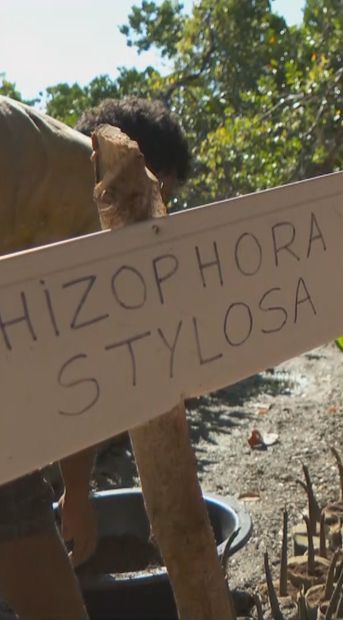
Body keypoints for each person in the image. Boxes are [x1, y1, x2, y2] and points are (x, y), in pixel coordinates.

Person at [0, 94, 189, 620]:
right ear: (143, 172)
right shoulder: (106, 198)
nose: (160, 216)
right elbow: (80, 365)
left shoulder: (43, 163)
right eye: (163, 198)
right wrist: (78, 492)